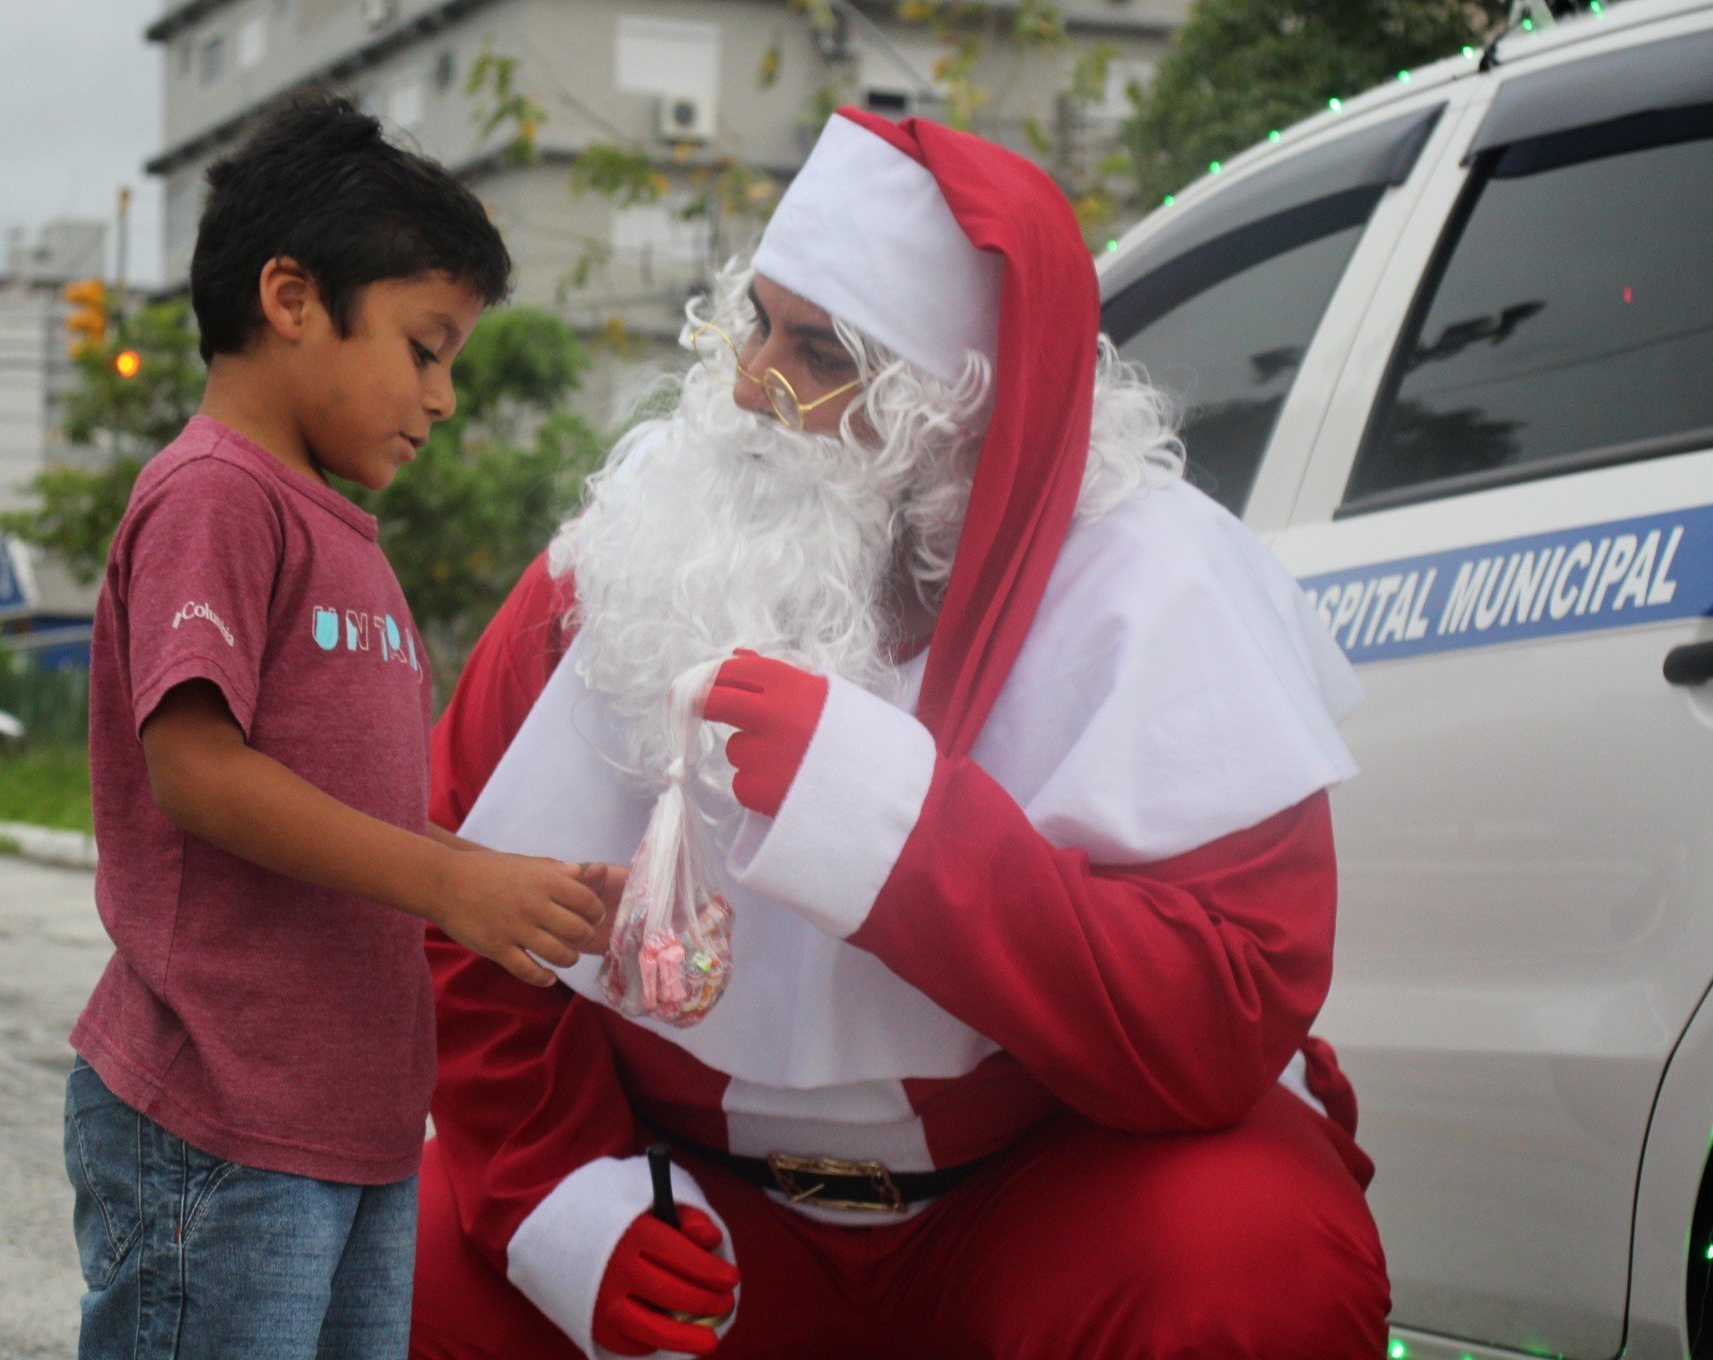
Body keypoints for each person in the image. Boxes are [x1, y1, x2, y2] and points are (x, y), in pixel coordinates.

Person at [412, 108, 1391, 1359]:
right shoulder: (634, 547)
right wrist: (560, 1198)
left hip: (1033, 1200)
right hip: (693, 1208)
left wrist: (893, 824)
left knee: (1247, 1261)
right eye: (756, 322)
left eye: (818, 351)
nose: (752, 385)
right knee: (403, 1272)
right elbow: (461, 898)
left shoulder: (1155, 583)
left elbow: (1221, 1020)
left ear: (962, 409)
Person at [61, 94, 605, 1360]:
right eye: (426, 347)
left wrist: (511, 889)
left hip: (351, 1123)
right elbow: (197, 771)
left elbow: (356, 824)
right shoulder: (213, 492)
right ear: (293, 297)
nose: (446, 396)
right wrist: (445, 886)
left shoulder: (341, 537)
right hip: (218, 1115)